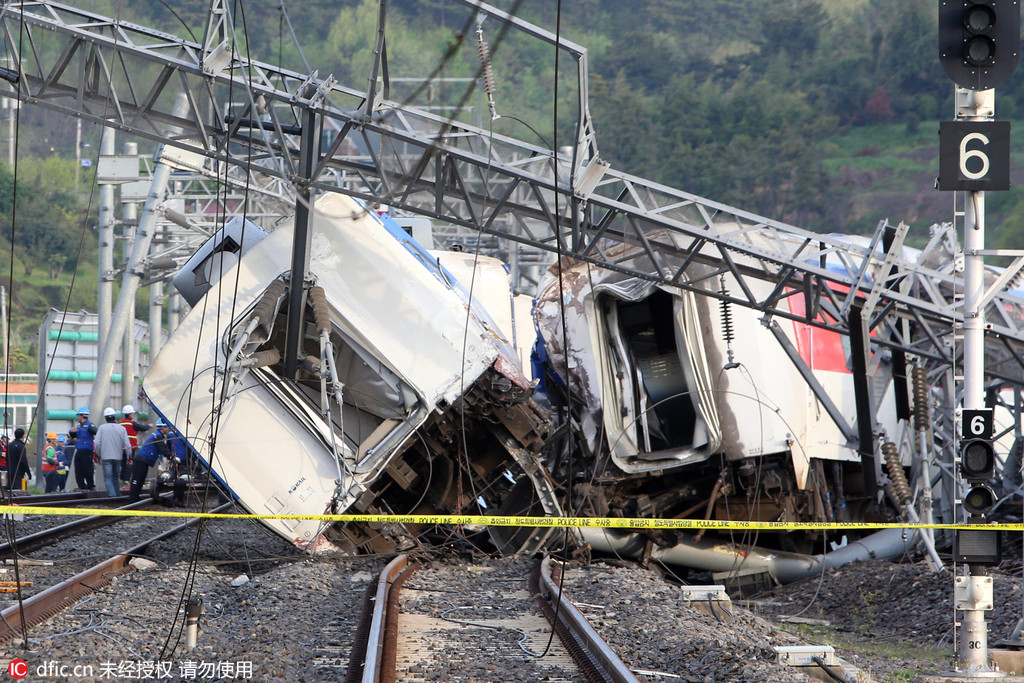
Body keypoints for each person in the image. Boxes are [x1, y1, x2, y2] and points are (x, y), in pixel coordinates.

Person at [130, 419, 173, 503]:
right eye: (167, 427)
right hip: (141, 461)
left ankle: (135, 498)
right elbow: (163, 448)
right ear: (163, 428)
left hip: (143, 460)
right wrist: (171, 456)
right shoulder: (158, 436)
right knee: (137, 480)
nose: (168, 429)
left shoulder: (157, 435)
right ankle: (133, 499)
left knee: (140, 480)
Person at [94, 407, 131, 497]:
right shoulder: (122, 429)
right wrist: (129, 457)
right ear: (114, 417)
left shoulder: (102, 428)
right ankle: (117, 495)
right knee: (115, 477)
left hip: (106, 457)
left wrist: (98, 455)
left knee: (108, 478)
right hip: (118, 457)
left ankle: (112, 496)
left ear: (105, 418)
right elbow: (127, 445)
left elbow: (97, 444)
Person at [119, 404, 151, 490]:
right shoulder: (132, 424)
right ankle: (127, 482)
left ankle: (122, 482)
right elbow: (143, 428)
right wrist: (149, 426)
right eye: (132, 413)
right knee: (129, 464)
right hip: (130, 447)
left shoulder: (120, 424)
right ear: (129, 414)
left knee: (123, 464)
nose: (133, 415)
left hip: (121, 448)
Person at [69, 406, 97, 491]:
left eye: (78, 415)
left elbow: (96, 432)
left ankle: (90, 485)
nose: (77, 417)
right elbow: (73, 437)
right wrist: (72, 432)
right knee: (78, 469)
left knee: (87, 468)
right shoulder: (79, 427)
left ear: (82, 416)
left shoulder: (89, 425)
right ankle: (81, 485)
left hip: (87, 450)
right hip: (79, 450)